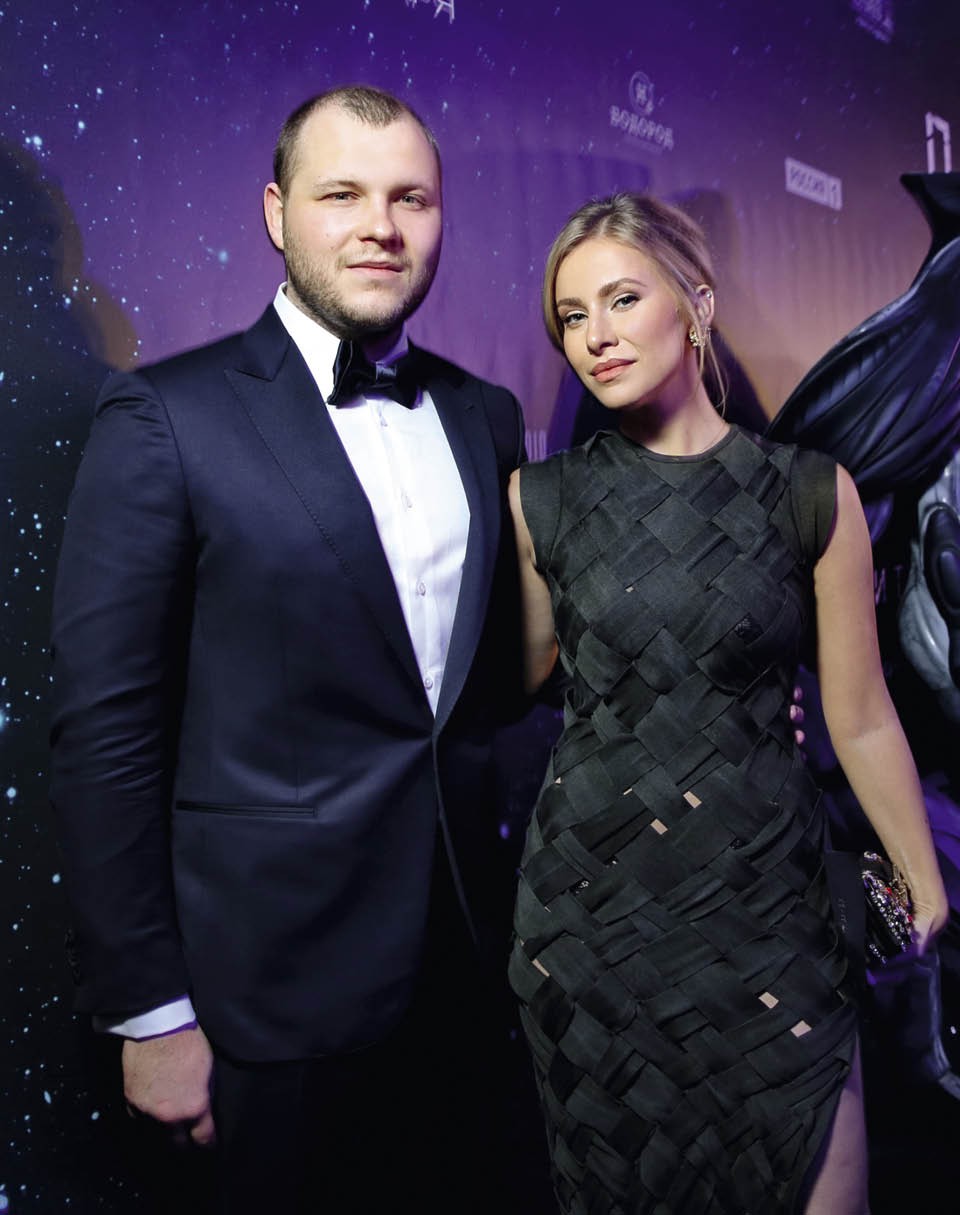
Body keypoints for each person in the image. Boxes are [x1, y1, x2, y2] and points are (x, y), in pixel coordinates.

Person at [48, 84, 534, 1215]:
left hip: (470, 983)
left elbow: (502, 685)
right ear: (276, 214)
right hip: (261, 1010)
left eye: (411, 198)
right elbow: (104, 737)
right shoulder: (166, 416)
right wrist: (151, 1015)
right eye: (342, 195)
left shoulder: (486, 415)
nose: (381, 226)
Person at [506, 192, 949, 1215]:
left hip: (770, 909)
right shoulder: (543, 500)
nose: (596, 334)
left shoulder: (809, 491)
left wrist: (920, 875)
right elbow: (515, 687)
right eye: (572, 315)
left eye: (623, 299)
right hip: (596, 922)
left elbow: (862, 714)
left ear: (696, 305)